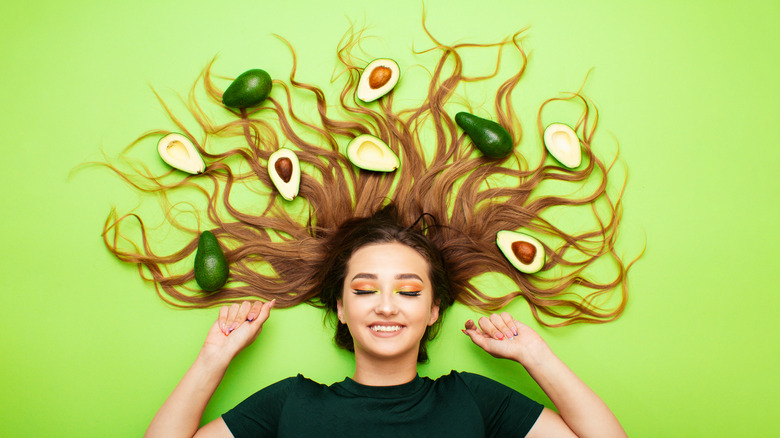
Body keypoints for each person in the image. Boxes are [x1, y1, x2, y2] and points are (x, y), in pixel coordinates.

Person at [143, 205, 627, 438]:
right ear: (340, 307)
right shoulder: (290, 403)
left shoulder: (473, 399)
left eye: (410, 291)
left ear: (434, 309)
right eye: (365, 289)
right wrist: (215, 356)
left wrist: (535, 355)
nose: (387, 305)